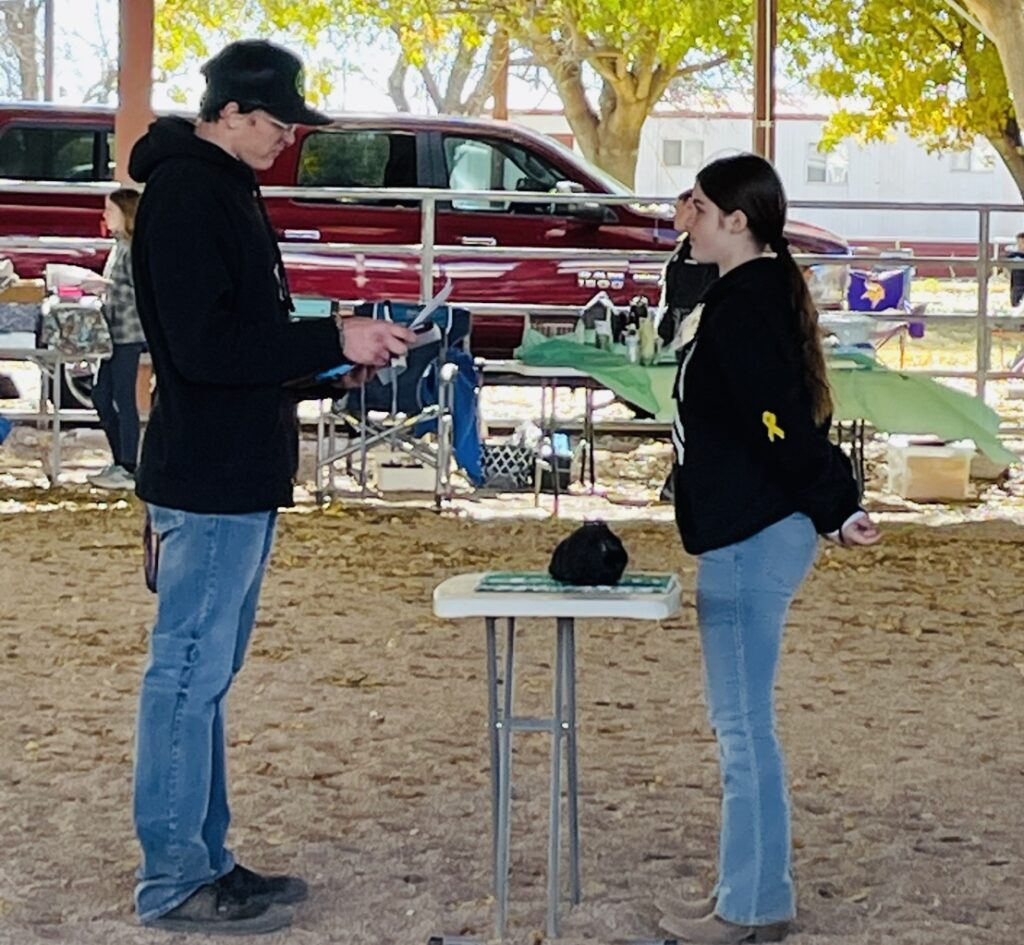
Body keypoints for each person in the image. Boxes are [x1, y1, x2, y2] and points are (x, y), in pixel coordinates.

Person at [127, 39, 416, 936]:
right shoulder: (189, 196)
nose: (289, 136)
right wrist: (332, 338)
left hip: (232, 467)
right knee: (186, 676)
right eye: (279, 121)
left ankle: (205, 858)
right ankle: (174, 876)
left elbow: (236, 343)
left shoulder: (214, 190)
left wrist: (329, 368)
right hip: (211, 474)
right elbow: (208, 349)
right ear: (234, 114)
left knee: (202, 677)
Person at [656, 153, 880, 945]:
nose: (687, 214)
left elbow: (780, 419)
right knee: (739, 724)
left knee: (744, 727)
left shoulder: (748, 305)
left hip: (753, 533)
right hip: (744, 528)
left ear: (737, 221)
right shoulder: (741, 293)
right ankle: (743, 891)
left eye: (700, 204)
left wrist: (835, 503)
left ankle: (753, 904)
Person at [658, 189, 719, 501]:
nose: (673, 214)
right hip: (684, 337)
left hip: (701, 338)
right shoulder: (686, 249)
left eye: (677, 207)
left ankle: (687, 478)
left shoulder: (707, 252)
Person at [85, 188, 145, 490]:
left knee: (122, 398)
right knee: (101, 394)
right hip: (113, 331)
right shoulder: (119, 245)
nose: (105, 216)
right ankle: (120, 457)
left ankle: (130, 463)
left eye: (110, 210)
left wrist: (103, 287)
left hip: (128, 332)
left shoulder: (134, 248)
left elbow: (139, 290)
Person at [1005, 231, 1024, 308]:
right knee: (1016, 304)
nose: (1020, 245)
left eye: (1022, 243)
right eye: (1018, 243)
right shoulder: (1013, 256)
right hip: (1016, 286)